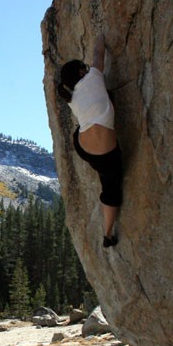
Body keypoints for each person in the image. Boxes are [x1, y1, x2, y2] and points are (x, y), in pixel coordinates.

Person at [57, 34, 122, 248]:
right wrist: (101, 36)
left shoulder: (72, 98)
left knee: (91, 120)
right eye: (84, 67)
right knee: (111, 189)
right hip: (105, 151)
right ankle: (107, 233)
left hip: (82, 146)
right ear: (81, 71)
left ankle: (108, 232)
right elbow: (98, 53)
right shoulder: (93, 76)